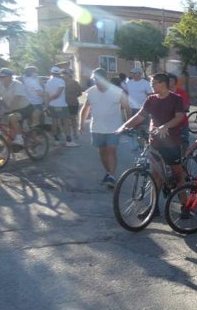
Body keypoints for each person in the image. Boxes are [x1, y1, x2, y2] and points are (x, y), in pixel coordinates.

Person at [116, 73, 187, 214]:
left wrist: (165, 126)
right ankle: (154, 208)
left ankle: (185, 205)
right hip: (155, 142)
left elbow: (180, 116)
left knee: (178, 175)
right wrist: (124, 126)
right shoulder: (150, 99)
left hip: (172, 142)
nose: (151, 86)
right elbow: (140, 116)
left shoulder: (176, 99)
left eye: (154, 83)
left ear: (163, 84)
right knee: (156, 175)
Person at [79, 68, 130, 188]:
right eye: (94, 79)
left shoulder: (117, 91)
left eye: (98, 79)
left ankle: (111, 176)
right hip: (97, 128)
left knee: (111, 151)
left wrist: (127, 124)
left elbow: (127, 108)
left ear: (105, 79)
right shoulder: (91, 91)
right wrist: (80, 123)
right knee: (102, 152)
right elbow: (86, 108)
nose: (96, 82)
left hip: (114, 128)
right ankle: (108, 172)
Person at [0, 68, 31, 146]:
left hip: (25, 108)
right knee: (8, 131)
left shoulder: (18, 84)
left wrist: (9, 110)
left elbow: (17, 98)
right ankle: (6, 152)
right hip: (12, 109)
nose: (0, 78)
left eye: (2, 77)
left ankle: (20, 139)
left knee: (12, 117)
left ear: (9, 77)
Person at [45, 66, 78, 147]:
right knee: (66, 122)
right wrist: (50, 99)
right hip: (61, 105)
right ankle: (68, 141)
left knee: (54, 122)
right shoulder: (60, 81)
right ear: (59, 73)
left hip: (52, 105)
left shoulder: (48, 82)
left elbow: (46, 94)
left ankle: (56, 140)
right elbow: (58, 94)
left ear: (51, 73)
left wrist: (47, 102)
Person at [167, 72, 190, 148]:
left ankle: (186, 159)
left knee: (184, 143)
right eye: (167, 80)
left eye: (170, 80)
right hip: (168, 124)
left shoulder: (182, 93)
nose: (168, 82)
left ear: (175, 82)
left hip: (182, 124)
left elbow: (186, 107)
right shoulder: (163, 93)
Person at [62, 68, 83, 140]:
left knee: (73, 118)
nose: (64, 76)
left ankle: (75, 132)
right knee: (65, 119)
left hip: (73, 103)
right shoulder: (61, 82)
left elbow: (80, 93)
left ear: (69, 75)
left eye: (65, 74)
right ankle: (67, 134)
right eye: (63, 74)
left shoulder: (74, 83)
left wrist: (73, 96)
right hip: (63, 104)